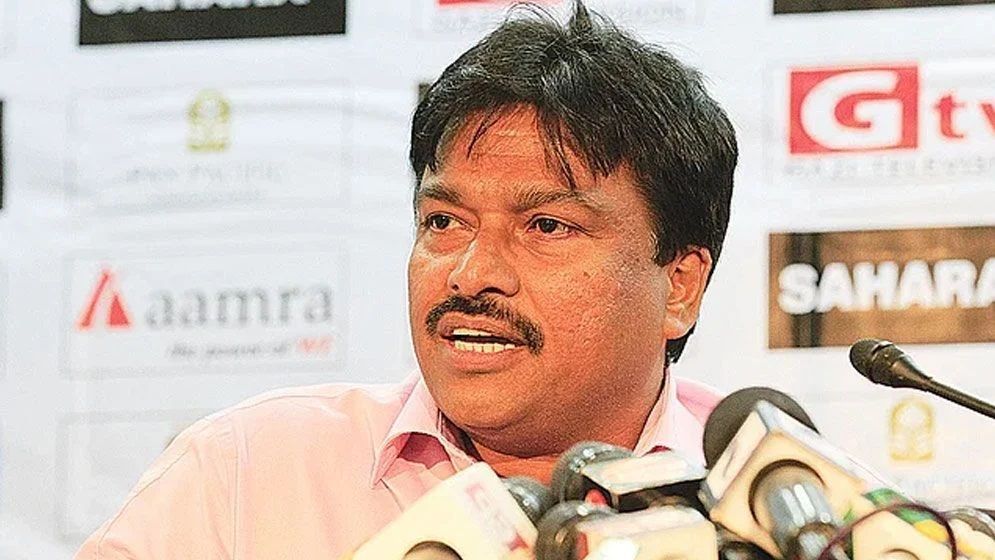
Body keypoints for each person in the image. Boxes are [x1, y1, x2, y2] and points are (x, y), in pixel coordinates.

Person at [75, 2, 737, 558]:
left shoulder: (760, 501)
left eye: (545, 226)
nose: (472, 274)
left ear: (679, 285)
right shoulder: (244, 474)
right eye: (444, 221)